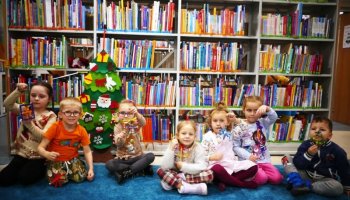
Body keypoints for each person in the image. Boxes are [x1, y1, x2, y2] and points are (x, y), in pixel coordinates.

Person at [0, 82, 57, 186]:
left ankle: (44, 167)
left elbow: (44, 136)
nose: (36, 98)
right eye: (33, 95)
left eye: (41, 96)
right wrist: (18, 91)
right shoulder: (25, 109)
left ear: (49, 99)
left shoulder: (51, 116)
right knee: (4, 179)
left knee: (25, 179)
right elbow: (7, 105)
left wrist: (29, 123)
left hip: (39, 156)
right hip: (21, 153)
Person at [281, 116, 350, 197]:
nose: (317, 131)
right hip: (306, 174)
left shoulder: (337, 151)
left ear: (329, 135)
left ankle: (306, 186)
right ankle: (297, 181)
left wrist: (347, 186)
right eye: (313, 129)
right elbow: (298, 164)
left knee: (338, 188)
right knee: (286, 157)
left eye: (322, 130)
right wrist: (308, 154)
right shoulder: (305, 145)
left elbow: (344, 170)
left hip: (325, 180)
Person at [201, 102, 258, 191]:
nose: (218, 124)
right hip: (215, 168)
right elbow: (201, 157)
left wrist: (235, 120)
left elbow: (245, 127)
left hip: (230, 165)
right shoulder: (207, 137)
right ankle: (241, 184)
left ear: (227, 122)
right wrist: (211, 157)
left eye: (222, 120)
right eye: (215, 121)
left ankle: (224, 181)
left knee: (253, 166)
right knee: (217, 168)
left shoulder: (230, 134)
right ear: (211, 123)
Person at [37, 97, 94, 187]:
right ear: (60, 114)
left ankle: (80, 164)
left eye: (75, 112)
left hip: (72, 159)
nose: (72, 115)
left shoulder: (82, 130)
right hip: (56, 161)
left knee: (81, 178)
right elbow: (40, 147)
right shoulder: (55, 127)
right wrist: (46, 154)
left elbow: (87, 151)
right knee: (58, 182)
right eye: (67, 112)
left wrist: (91, 169)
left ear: (80, 115)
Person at [232, 96, 283, 186]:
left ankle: (260, 174)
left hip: (264, 160)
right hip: (248, 163)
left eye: (256, 110)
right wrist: (248, 156)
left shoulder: (263, 123)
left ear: (260, 111)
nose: (252, 113)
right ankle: (249, 176)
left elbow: (274, 117)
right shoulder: (238, 128)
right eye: (249, 110)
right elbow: (235, 146)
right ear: (243, 110)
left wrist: (267, 109)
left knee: (277, 179)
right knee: (262, 178)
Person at [157, 120, 213, 195]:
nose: (187, 136)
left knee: (209, 174)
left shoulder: (198, 147)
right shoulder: (173, 145)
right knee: (160, 170)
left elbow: (201, 167)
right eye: (183, 133)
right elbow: (165, 166)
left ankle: (177, 183)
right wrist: (171, 149)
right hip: (175, 173)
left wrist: (183, 166)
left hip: (191, 173)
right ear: (177, 135)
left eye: (190, 134)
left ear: (194, 136)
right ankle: (186, 186)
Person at [105, 99, 155, 184]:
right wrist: (122, 135)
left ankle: (126, 172)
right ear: (118, 114)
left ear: (133, 115)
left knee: (150, 156)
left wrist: (137, 114)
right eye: (122, 113)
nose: (125, 115)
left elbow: (144, 123)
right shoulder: (117, 126)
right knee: (109, 164)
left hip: (137, 156)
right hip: (123, 159)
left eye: (129, 113)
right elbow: (119, 144)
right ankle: (140, 169)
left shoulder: (136, 123)